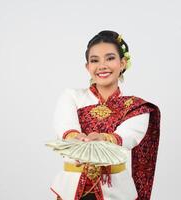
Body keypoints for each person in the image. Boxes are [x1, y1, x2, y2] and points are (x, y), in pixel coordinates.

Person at [49, 30, 161, 200]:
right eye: (95, 60)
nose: (102, 65)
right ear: (88, 67)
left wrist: (102, 138)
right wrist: (77, 138)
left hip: (116, 193)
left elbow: (126, 138)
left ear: (122, 63)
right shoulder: (71, 96)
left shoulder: (136, 107)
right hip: (69, 192)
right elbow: (65, 127)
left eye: (110, 58)